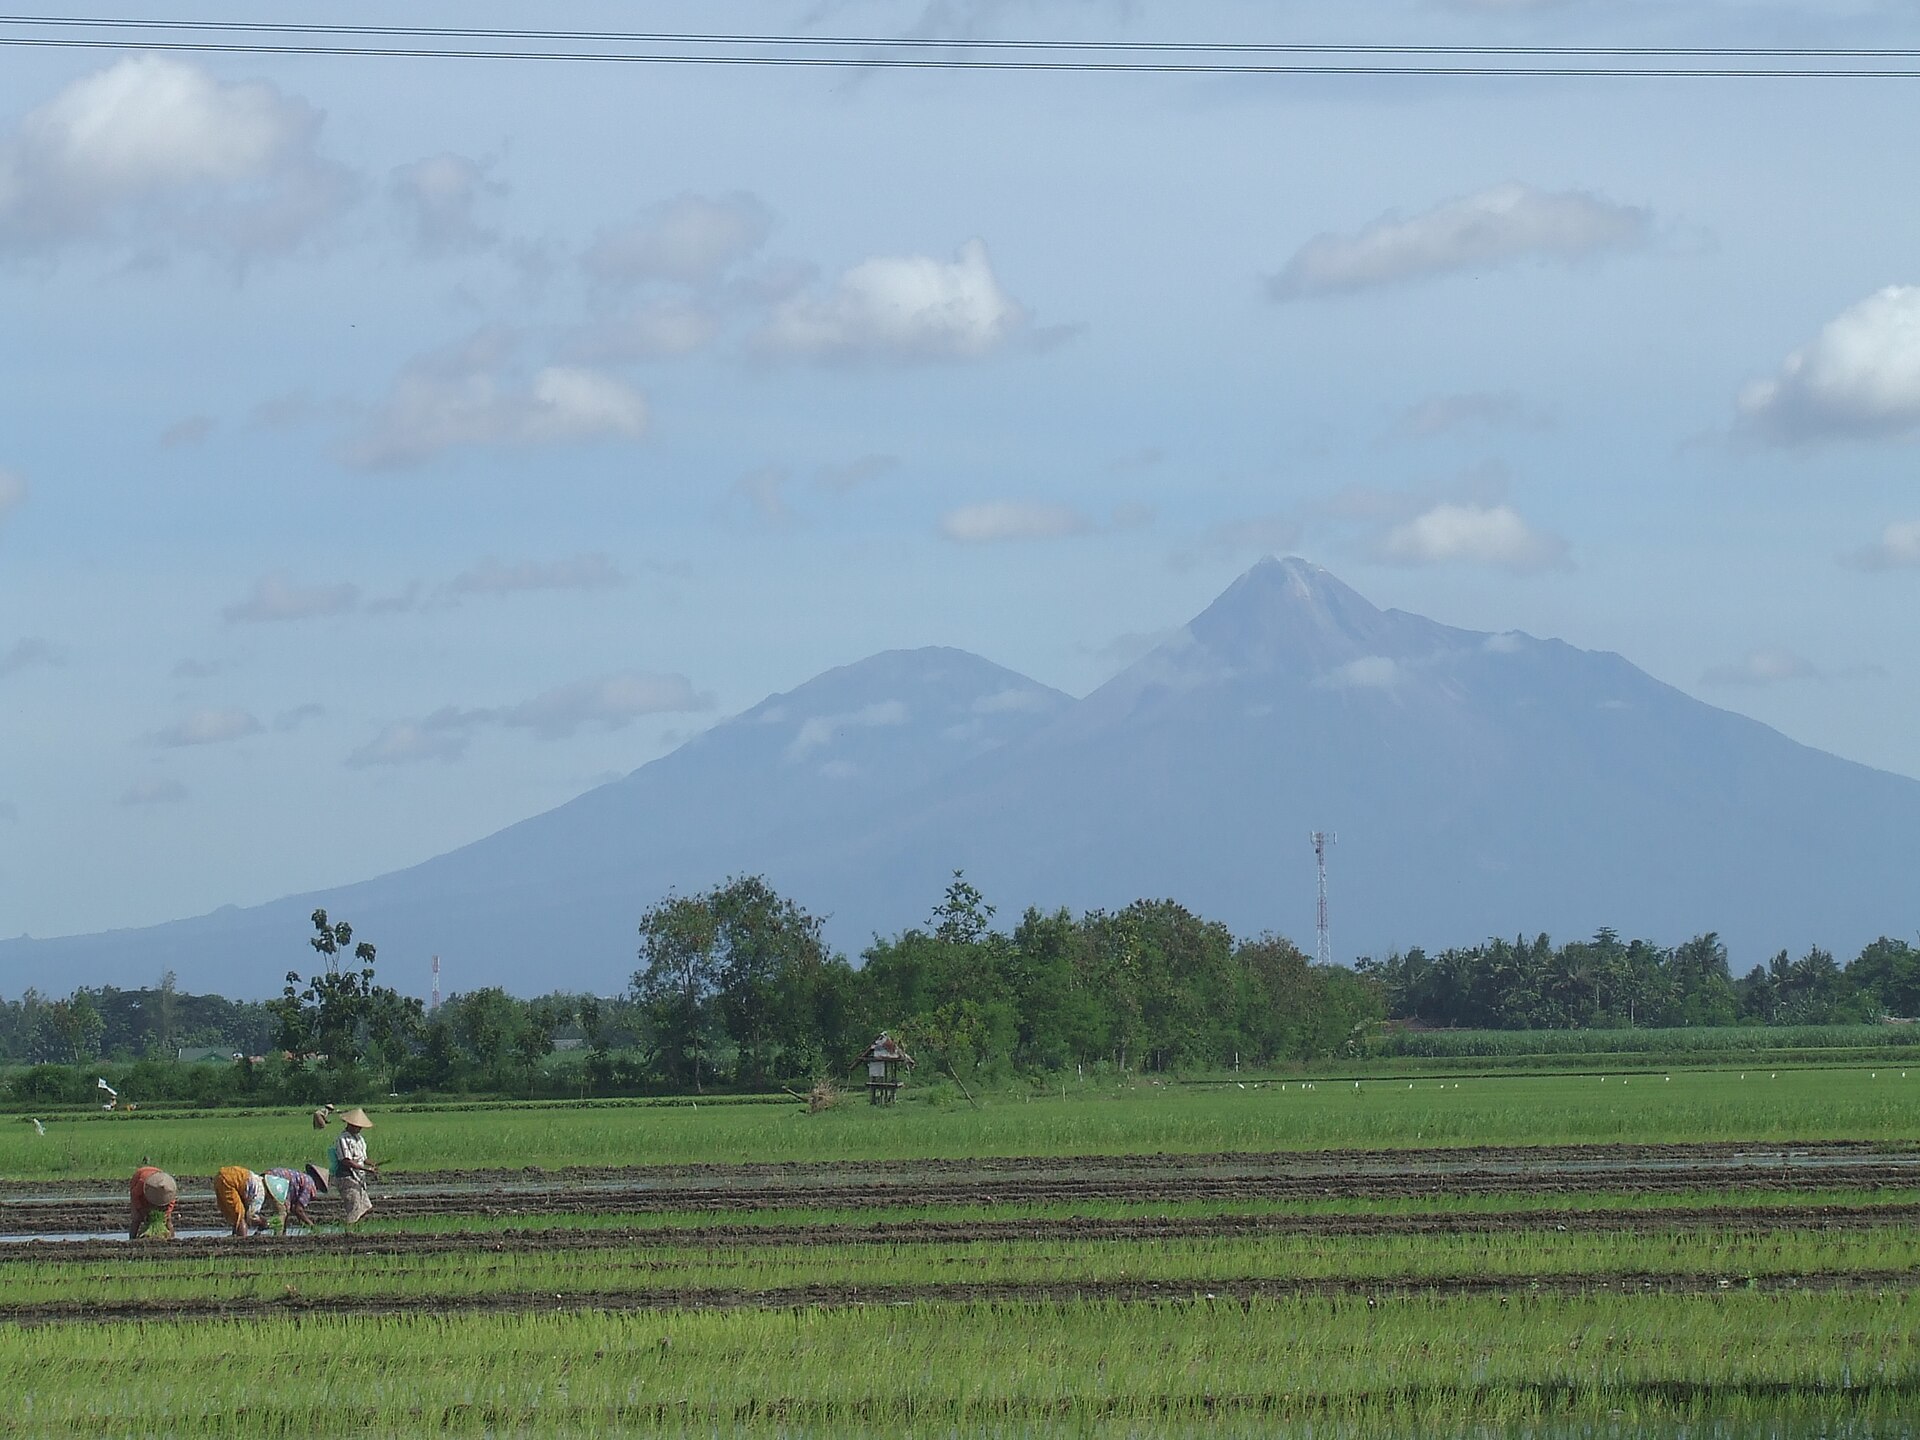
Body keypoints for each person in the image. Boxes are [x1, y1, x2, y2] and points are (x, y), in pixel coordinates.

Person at [330, 1108, 378, 1224]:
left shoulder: (360, 1139)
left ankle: (356, 1230)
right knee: (354, 1208)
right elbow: (346, 1161)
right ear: (350, 1124)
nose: (359, 1128)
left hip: (359, 1178)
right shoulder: (343, 1139)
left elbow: (363, 1158)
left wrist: (372, 1164)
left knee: (365, 1207)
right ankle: (349, 1233)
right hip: (347, 1177)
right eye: (357, 1126)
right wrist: (365, 1169)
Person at [261, 1164, 329, 1233]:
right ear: (319, 1181)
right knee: (282, 1213)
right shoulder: (310, 1185)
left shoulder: (303, 1178)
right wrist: (312, 1226)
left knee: (283, 1209)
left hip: (267, 1176)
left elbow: (292, 1209)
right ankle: (276, 1236)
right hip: (276, 1180)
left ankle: (262, 1228)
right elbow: (298, 1210)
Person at [213, 1165, 270, 1237]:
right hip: (229, 1181)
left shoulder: (257, 1180)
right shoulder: (260, 1194)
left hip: (220, 1176)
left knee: (235, 1214)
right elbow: (251, 1217)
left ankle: (236, 1235)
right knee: (240, 1217)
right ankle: (242, 1240)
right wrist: (263, 1222)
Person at [128, 1165, 178, 1240]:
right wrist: (141, 1209)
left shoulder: (168, 1187)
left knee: (168, 1219)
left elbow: (171, 1202)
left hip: (155, 1174)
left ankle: (172, 1238)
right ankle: (132, 1239)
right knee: (136, 1218)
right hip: (139, 1188)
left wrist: (167, 1213)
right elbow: (135, 1195)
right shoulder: (142, 1182)